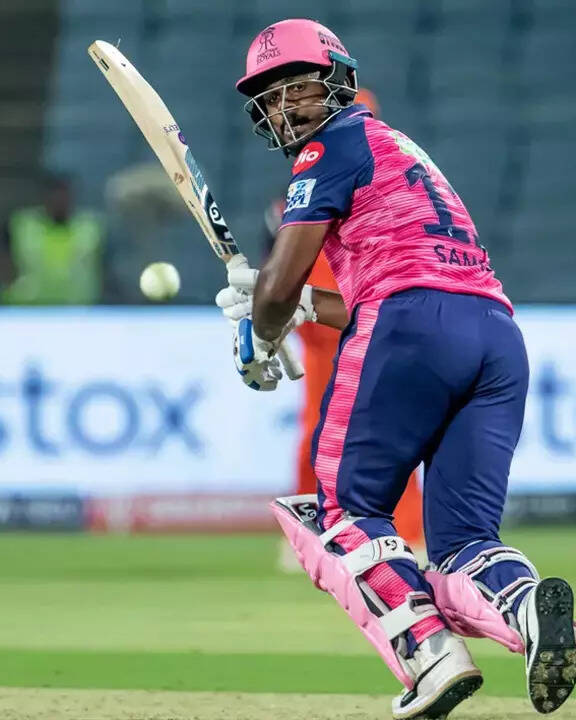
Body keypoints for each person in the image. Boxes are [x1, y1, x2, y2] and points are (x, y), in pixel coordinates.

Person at [215, 19, 576, 719]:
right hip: (495, 336)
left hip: (409, 327)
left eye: (300, 87)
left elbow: (289, 287)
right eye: (272, 95)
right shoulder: (398, 146)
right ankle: (527, 603)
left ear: (340, 84)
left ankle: (431, 656)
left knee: (341, 513)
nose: (286, 106)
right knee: (465, 542)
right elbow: (358, 291)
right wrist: (291, 307)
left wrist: (260, 328)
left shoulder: (327, 147)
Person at [260, 89, 427, 572]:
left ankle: (407, 535)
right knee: (320, 436)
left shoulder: (381, 177)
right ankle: (311, 535)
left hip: (369, 321)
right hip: (322, 332)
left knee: (389, 437)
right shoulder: (307, 181)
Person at [0, 172, 109, 305]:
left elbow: (106, 264)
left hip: (79, 309)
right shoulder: (22, 224)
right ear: (44, 197)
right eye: (54, 195)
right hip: (26, 309)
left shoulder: (90, 226)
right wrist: (11, 280)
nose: (59, 200)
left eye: (63, 195)